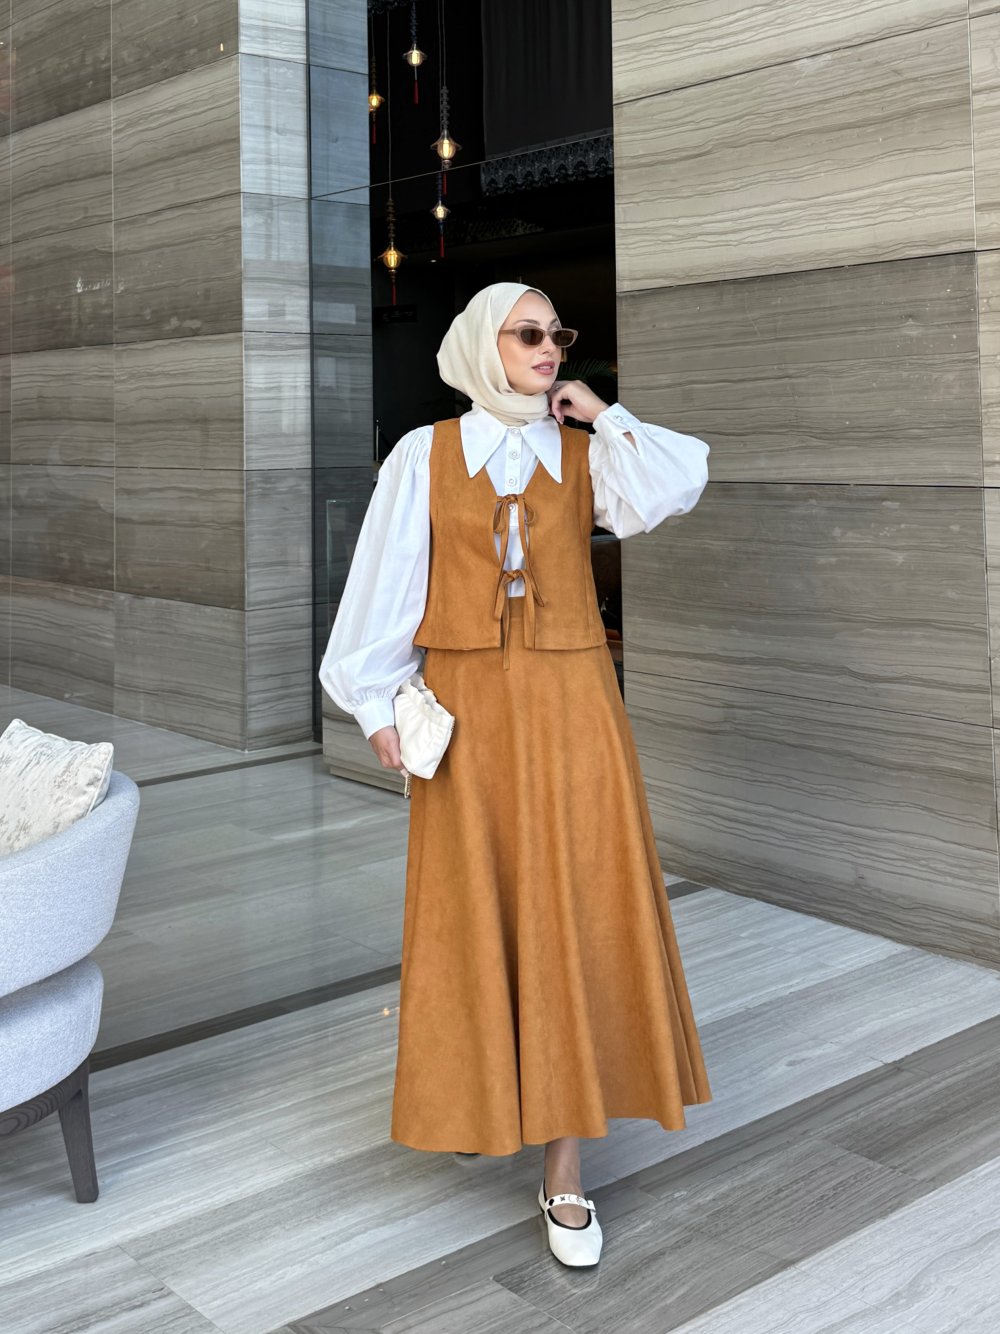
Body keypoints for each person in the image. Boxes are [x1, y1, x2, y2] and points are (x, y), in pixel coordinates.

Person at [319, 282, 712, 1268]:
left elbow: (677, 483)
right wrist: (376, 705)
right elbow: (382, 585)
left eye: (557, 334)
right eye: (527, 333)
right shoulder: (424, 454)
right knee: (470, 909)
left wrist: (603, 411)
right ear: (479, 345)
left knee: (576, 911)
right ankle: (481, 1091)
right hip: (468, 719)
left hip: (577, 713)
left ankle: (565, 1167)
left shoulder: (585, 453)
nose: (548, 348)